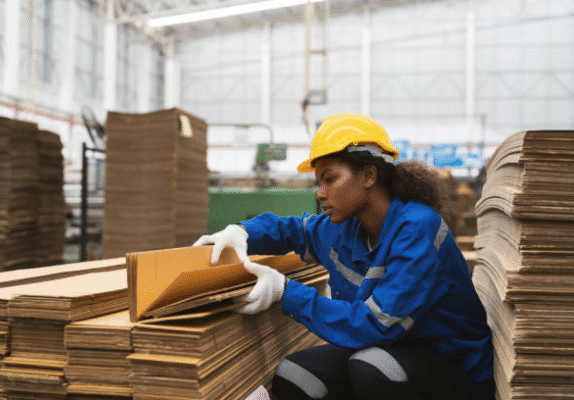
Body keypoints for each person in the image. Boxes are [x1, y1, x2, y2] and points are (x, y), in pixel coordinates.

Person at [194, 112, 495, 400]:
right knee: (295, 375)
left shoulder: (417, 229)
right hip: (391, 350)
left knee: (371, 369)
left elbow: (376, 325)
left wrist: (285, 292)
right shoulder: (345, 228)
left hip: (453, 368)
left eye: (330, 179)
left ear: (368, 175)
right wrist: (243, 232)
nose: (320, 193)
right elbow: (294, 230)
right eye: (318, 182)